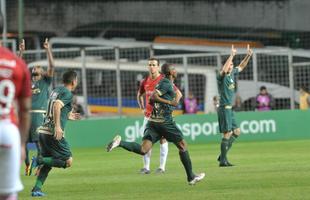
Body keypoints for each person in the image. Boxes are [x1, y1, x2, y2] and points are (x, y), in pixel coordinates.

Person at [107, 63, 205, 185]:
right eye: (174, 69)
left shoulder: (167, 83)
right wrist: (170, 102)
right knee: (183, 146)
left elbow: (173, 94)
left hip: (153, 121)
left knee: (143, 149)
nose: (176, 70)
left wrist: (174, 100)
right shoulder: (166, 83)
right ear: (170, 72)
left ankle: (119, 143)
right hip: (164, 122)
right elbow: (153, 97)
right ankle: (191, 177)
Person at [30, 70, 81, 197]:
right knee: (68, 160)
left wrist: (68, 116)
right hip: (53, 132)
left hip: (43, 131)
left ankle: (36, 189)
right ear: (74, 81)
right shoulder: (68, 94)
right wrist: (58, 126)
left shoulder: (56, 90)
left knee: (49, 163)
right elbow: (57, 106)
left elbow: (54, 107)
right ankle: (39, 160)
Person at [137, 58, 182, 174]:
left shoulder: (163, 80)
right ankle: (146, 167)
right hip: (148, 116)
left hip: (161, 116)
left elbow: (178, 93)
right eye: (149, 65)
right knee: (146, 141)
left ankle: (162, 167)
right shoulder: (145, 81)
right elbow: (139, 95)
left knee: (163, 140)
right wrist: (142, 108)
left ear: (158, 67)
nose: (151, 67)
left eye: (154, 65)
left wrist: (171, 107)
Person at [19, 38, 55, 176]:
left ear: (42, 73)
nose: (35, 70)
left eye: (38, 69)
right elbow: (18, 65)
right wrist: (21, 51)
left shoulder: (45, 82)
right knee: (23, 142)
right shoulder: (27, 81)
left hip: (39, 115)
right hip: (26, 115)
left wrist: (48, 50)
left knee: (39, 142)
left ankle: (39, 165)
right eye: (34, 69)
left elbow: (52, 66)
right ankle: (28, 164)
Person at [0, 46, 32, 200]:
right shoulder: (17, 63)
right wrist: (22, 144)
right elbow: (25, 110)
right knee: (8, 193)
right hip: (8, 131)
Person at [217, 44, 253, 167]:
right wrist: (231, 55)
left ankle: (223, 154)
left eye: (232, 65)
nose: (231, 66)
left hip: (230, 109)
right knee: (227, 134)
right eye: (229, 64)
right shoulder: (221, 77)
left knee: (237, 132)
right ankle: (223, 161)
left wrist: (248, 56)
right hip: (224, 108)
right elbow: (224, 68)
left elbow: (242, 65)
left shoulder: (232, 74)